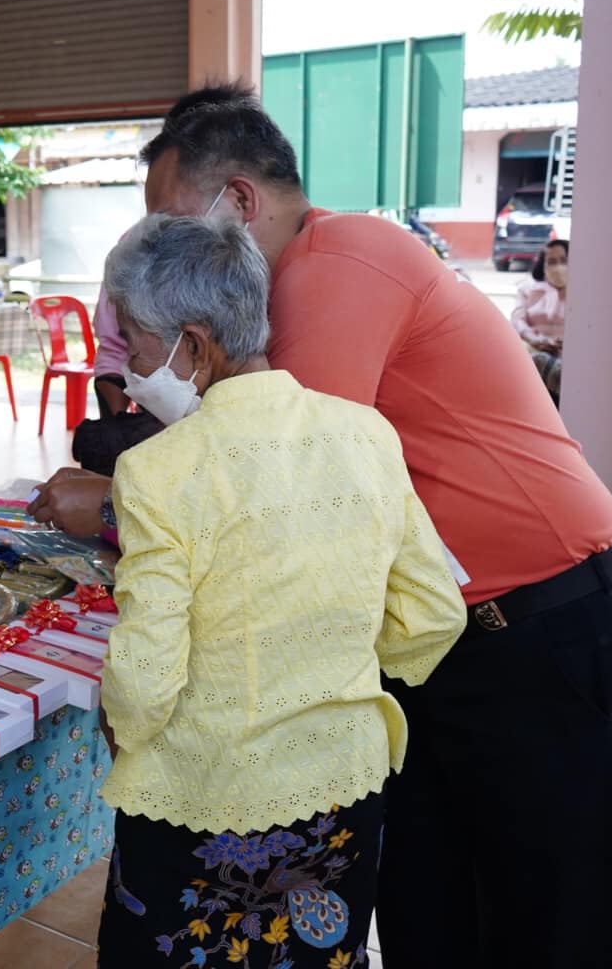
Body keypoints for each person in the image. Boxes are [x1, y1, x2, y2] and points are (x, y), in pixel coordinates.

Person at [33, 84, 612, 969]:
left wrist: (114, 498)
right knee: (429, 910)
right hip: (445, 639)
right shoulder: (279, 294)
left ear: (238, 204)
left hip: (543, 628)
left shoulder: (340, 260)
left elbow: (272, 493)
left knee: (560, 926)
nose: (166, 251)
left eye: (174, 225)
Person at [96, 212, 465, 968]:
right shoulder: (366, 434)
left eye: (133, 341)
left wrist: (125, 730)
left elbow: (142, 685)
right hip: (342, 784)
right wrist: (338, 659)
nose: (127, 364)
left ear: (192, 346)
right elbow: (433, 613)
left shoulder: (160, 470)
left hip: (202, 795)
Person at [68, 286, 162, 478]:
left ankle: (106, 490)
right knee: (154, 438)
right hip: (155, 362)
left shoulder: (117, 265)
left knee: (111, 440)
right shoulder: (172, 267)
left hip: (111, 363)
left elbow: (102, 324)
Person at [511, 238, 569, 403]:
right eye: (551, 262)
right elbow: (517, 321)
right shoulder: (528, 290)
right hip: (532, 353)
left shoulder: (582, 292)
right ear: (543, 266)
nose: (558, 267)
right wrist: (537, 340)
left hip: (567, 360)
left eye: (563, 261)